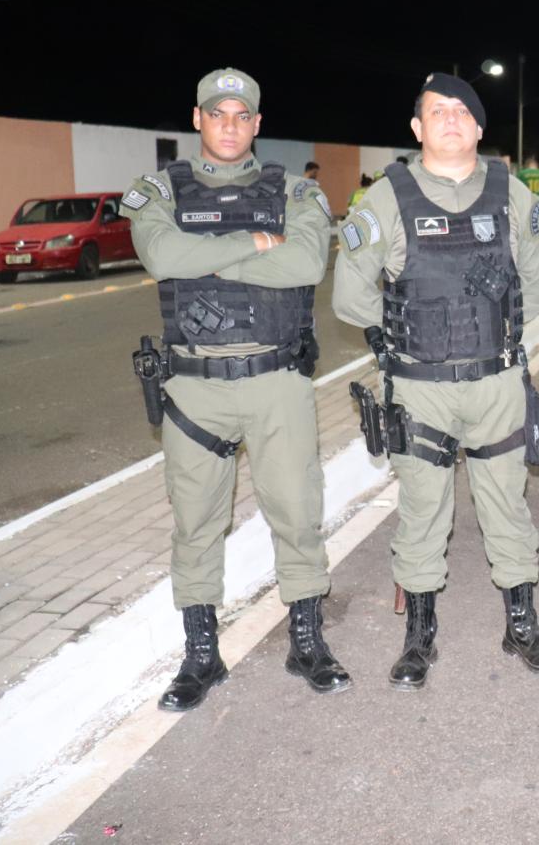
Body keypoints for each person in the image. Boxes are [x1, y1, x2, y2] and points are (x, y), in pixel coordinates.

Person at [122, 68, 347, 711]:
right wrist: (252, 242)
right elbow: (163, 257)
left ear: (257, 123)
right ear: (197, 118)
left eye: (241, 115)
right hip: (194, 389)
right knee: (195, 521)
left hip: (277, 380)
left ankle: (307, 641)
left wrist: (206, 253)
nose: (229, 125)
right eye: (217, 114)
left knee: (297, 513)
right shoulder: (158, 191)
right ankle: (202, 655)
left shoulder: (297, 191)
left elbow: (305, 263)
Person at [332, 72, 539, 687]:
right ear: (417, 127)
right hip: (420, 387)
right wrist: (413, 327)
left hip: (496, 383)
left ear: (479, 128)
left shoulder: (514, 194)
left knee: (508, 504)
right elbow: (350, 298)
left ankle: (521, 625)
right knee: (422, 509)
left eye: (463, 111)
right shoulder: (386, 198)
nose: (452, 119)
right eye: (438, 111)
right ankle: (419, 636)